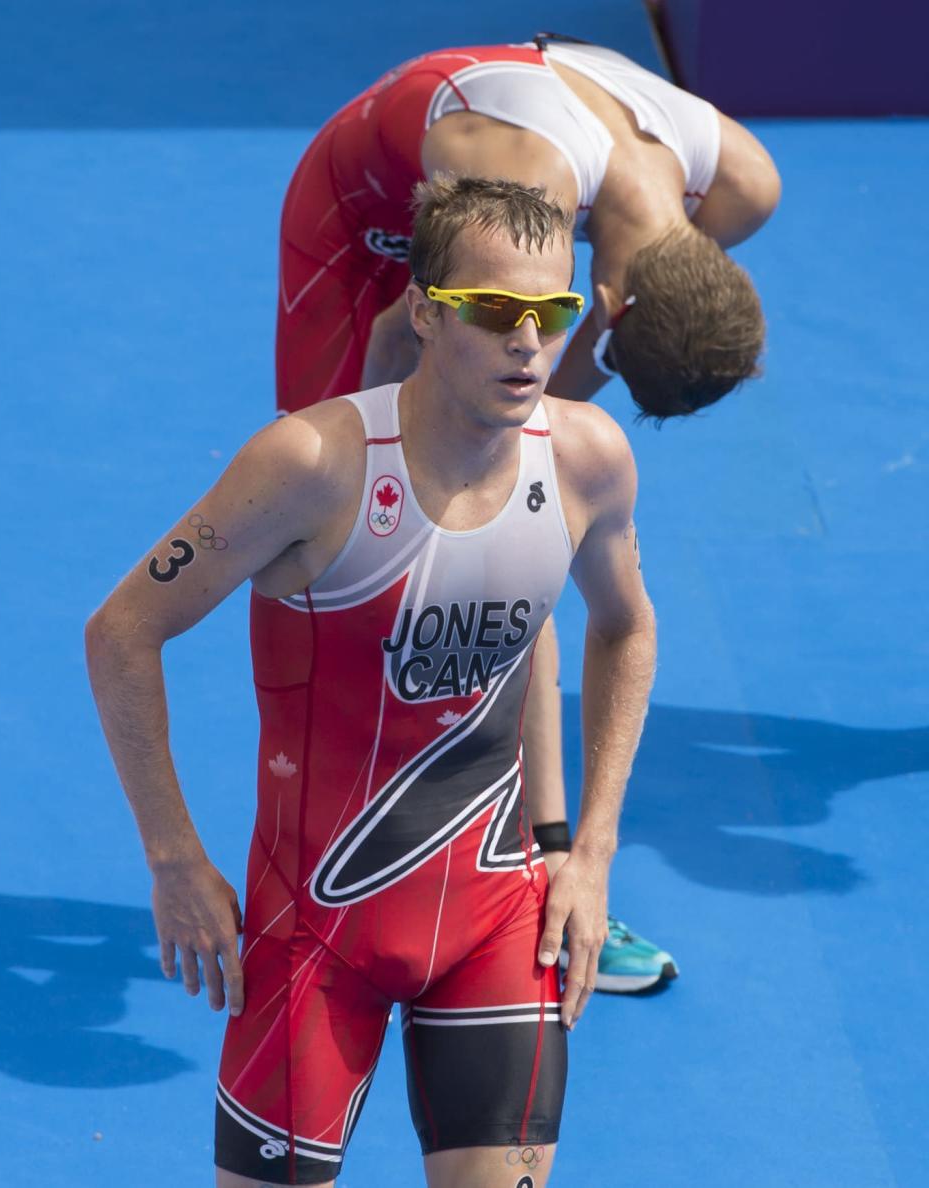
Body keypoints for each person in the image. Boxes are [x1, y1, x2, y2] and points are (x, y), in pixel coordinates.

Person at [86, 177, 657, 1187]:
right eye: (495, 313)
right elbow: (123, 631)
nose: (530, 342)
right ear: (429, 314)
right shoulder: (312, 466)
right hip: (314, 941)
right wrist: (174, 860)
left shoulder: (587, 461)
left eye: (553, 312)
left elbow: (622, 627)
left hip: (496, 917)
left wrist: (589, 848)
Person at [273, 33, 779, 991]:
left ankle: (531, 864)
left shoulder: (744, 185)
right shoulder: (528, 191)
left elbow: (568, 387)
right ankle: (325, 858)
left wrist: (525, 490)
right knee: (343, 554)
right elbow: (395, 341)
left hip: (513, 203)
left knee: (521, 536)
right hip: (365, 216)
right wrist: (383, 493)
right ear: (614, 310)